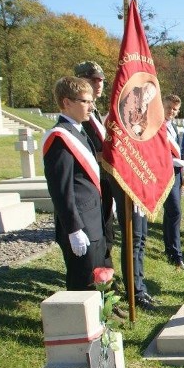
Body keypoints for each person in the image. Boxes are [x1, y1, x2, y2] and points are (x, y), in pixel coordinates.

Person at [43, 76, 106, 291]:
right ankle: (81, 324)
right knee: (83, 282)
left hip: (93, 220)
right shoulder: (60, 137)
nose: (91, 107)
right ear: (67, 102)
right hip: (80, 223)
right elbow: (61, 189)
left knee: (96, 277)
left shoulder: (79, 132)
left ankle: (99, 321)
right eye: (85, 101)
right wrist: (73, 229)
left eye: (91, 102)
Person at [74, 60, 115, 269]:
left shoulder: (95, 111)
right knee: (98, 235)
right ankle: (100, 278)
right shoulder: (79, 114)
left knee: (107, 232)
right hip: (91, 183)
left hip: (104, 180)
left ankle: (105, 277)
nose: (99, 84)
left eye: (101, 80)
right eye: (94, 79)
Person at [161, 94, 184, 269]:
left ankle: (169, 249)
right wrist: (172, 161)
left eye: (175, 109)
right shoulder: (157, 126)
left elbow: (177, 149)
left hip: (177, 174)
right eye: (168, 108)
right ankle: (176, 255)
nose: (171, 112)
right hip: (165, 174)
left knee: (171, 214)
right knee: (175, 212)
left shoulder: (172, 127)